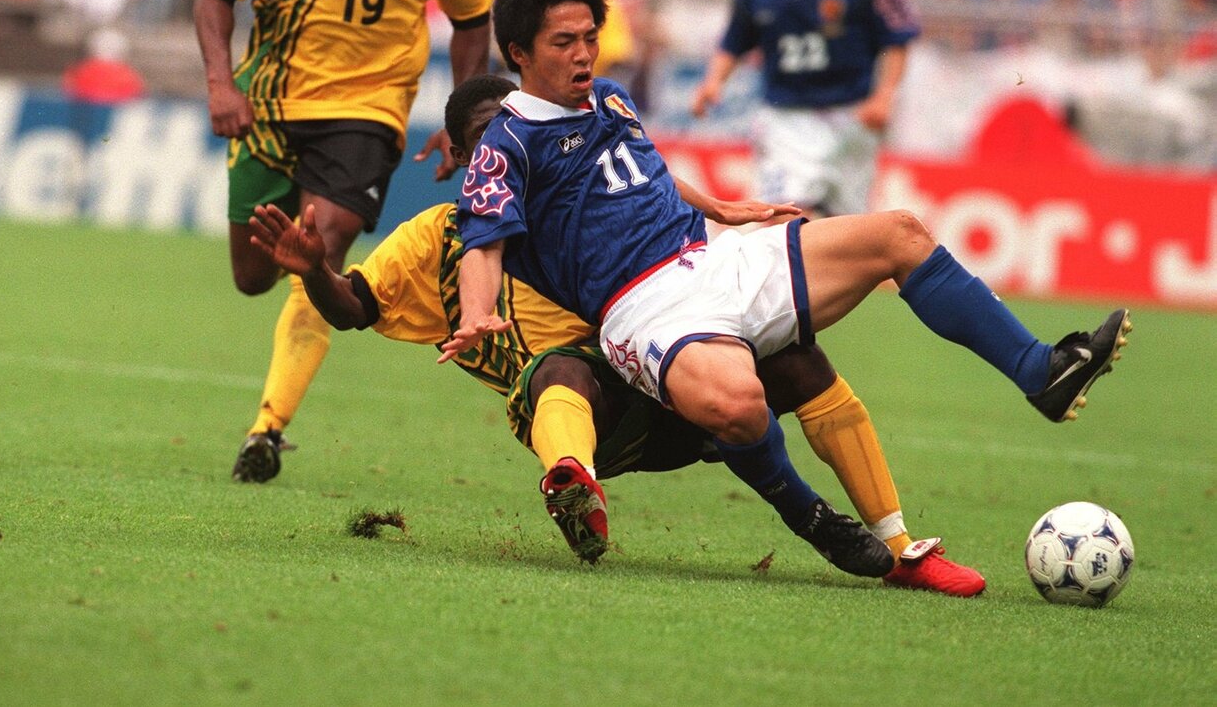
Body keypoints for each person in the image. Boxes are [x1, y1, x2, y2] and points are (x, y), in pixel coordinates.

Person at [444, 0, 1132, 577]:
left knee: (900, 234)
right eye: (564, 42)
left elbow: (638, 172)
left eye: (590, 36)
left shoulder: (611, 96)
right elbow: (484, 239)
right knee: (739, 406)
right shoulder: (504, 146)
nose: (584, 52)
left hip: (714, 255)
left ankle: (1041, 370)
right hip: (642, 307)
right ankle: (813, 519)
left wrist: (719, 206)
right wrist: (478, 311)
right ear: (519, 54)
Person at [248, 74, 985, 593]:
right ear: (474, 160)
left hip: (660, 385)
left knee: (792, 358)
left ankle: (900, 548)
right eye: (487, 139)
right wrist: (316, 269)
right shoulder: (432, 240)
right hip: (583, 414)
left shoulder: (589, 204)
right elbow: (350, 308)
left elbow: (653, 182)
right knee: (555, 370)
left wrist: (726, 212)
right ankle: (574, 485)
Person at [193, 0, 494, 482]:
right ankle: (271, 409)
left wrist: (463, 121)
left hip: (369, 112)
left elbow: (473, 19)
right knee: (251, 276)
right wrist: (220, 83)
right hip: (271, 106)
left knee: (319, 249)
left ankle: (267, 427)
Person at [690, 0, 918, 217]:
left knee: (846, 231)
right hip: (784, 121)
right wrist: (713, 82)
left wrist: (885, 96)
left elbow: (897, 38)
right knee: (784, 219)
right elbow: (734, 42)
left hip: (851, 120)